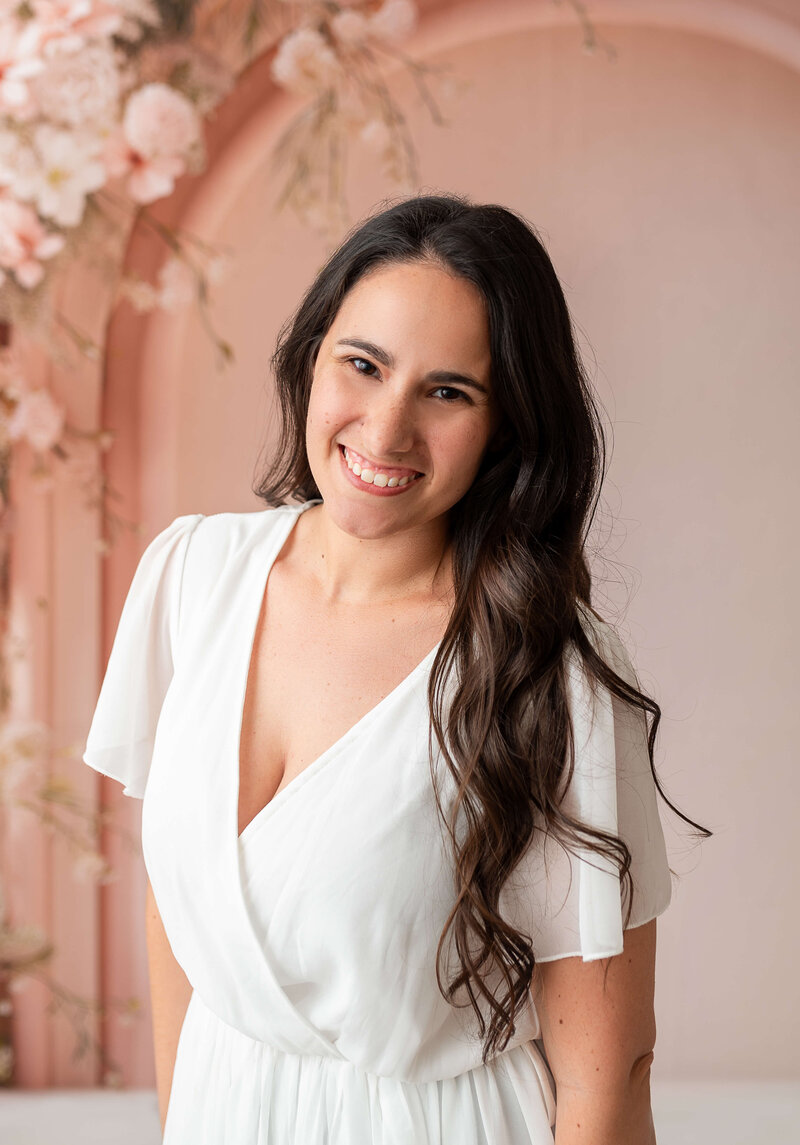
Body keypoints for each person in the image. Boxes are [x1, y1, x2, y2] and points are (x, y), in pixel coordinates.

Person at [82, 192, 709, 1144]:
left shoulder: (547, 670)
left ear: (506, 425)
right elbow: (185, 930)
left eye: (447, 391)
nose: (384, 430)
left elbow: (609, 1076)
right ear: (310, 355)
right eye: (363, 365)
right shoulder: (189, 576)